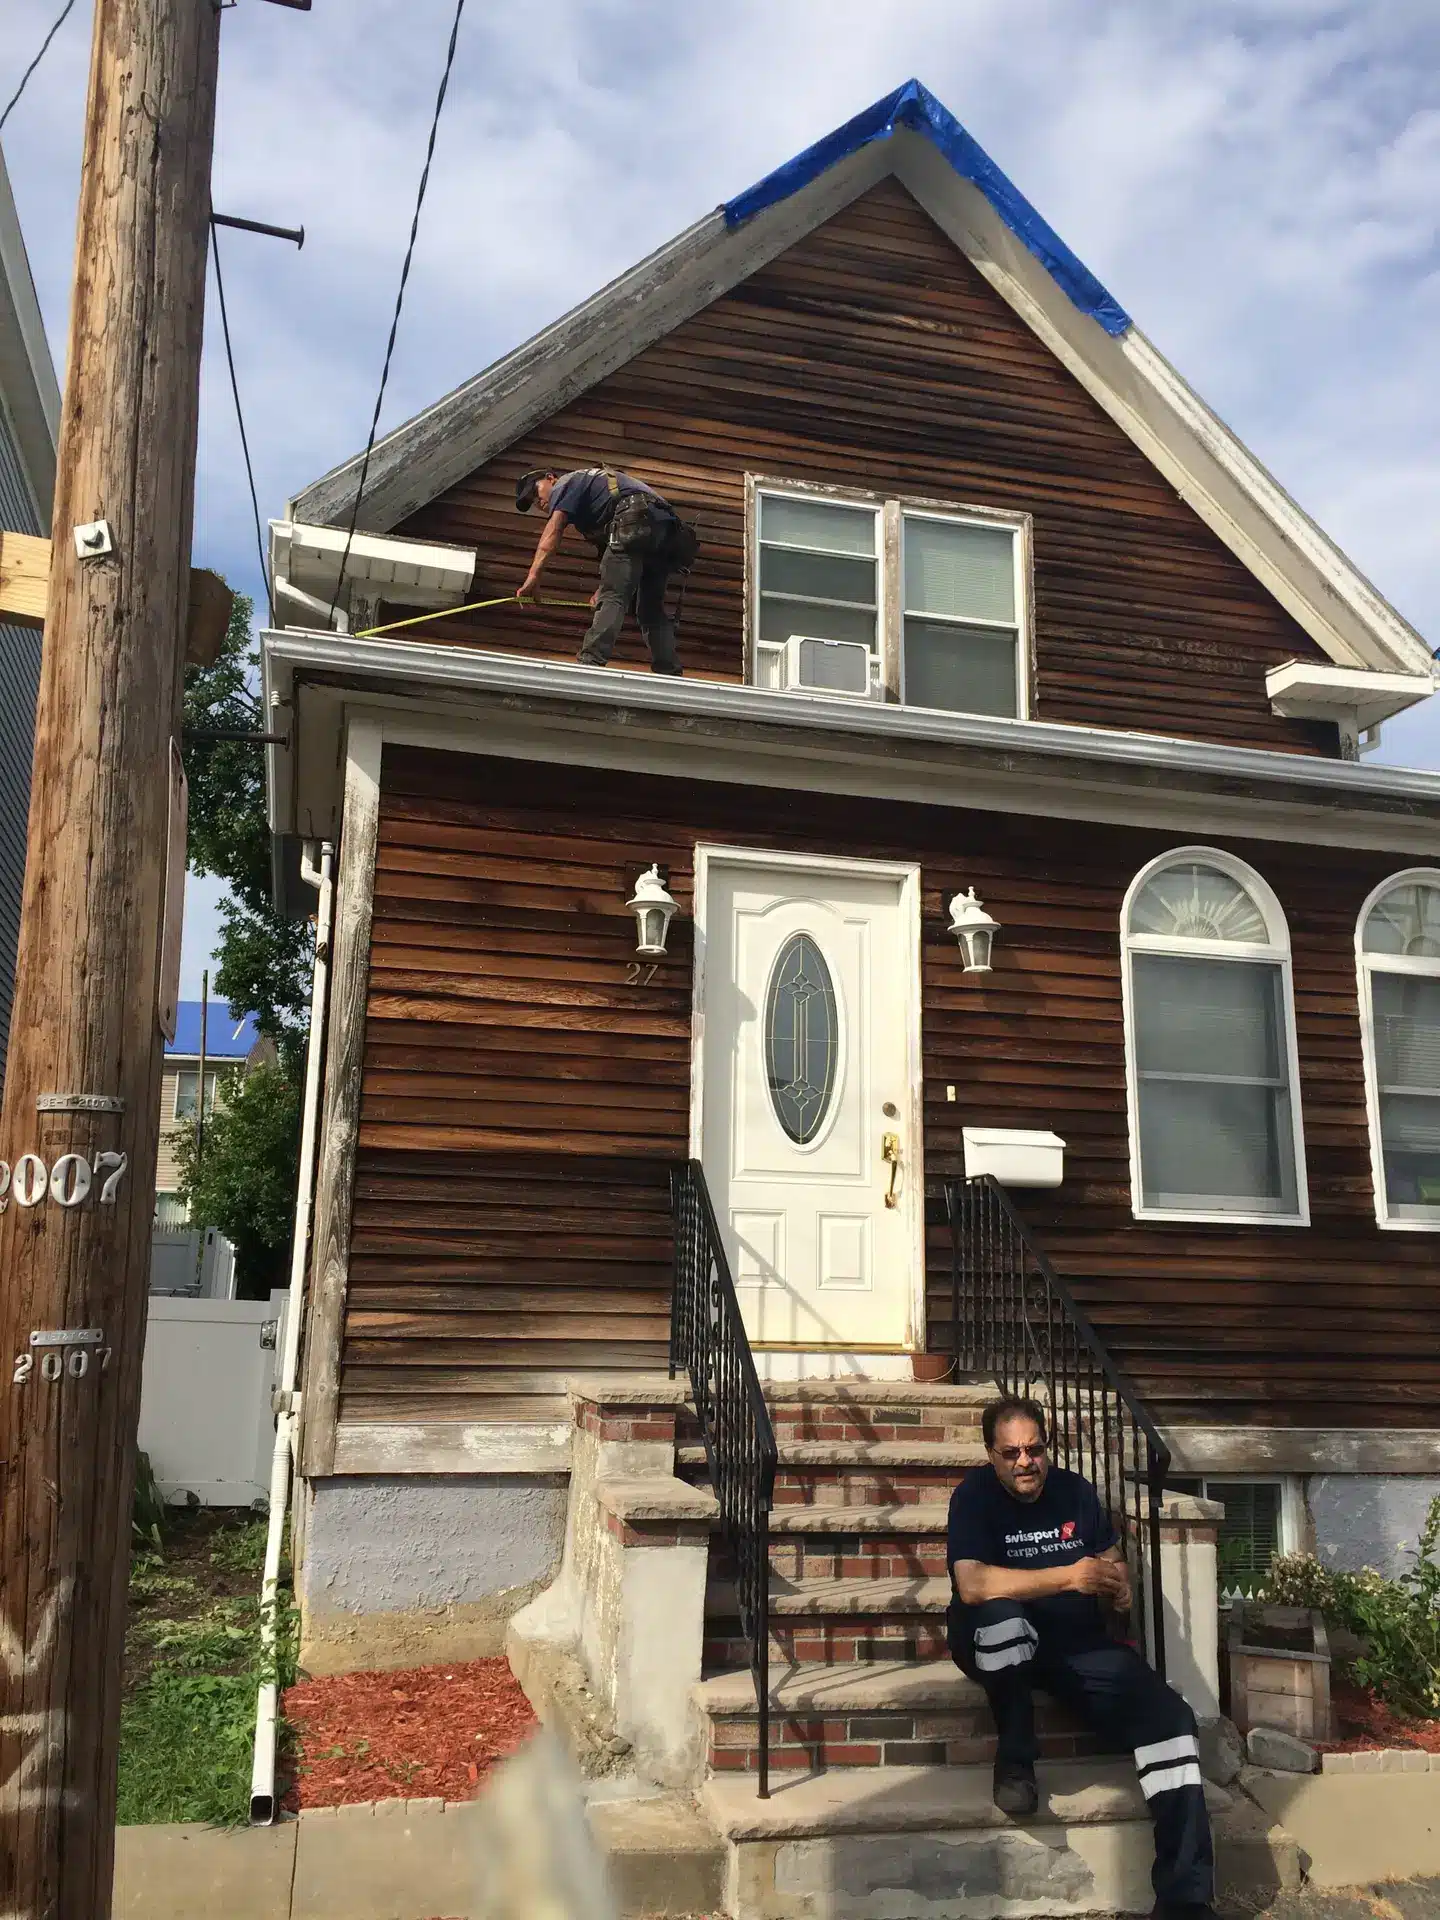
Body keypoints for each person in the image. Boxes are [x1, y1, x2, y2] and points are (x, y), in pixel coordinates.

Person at [948, 1396, 1216, 1920]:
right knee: (1004, 1621)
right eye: (1011, 1453)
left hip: (1074, 1643)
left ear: (1047, 1447)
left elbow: (1111, 1559)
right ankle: (1016, 1762)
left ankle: (1185, 1897)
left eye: (1034, 1449)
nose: (1025, 1462)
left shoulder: (1075, 1491)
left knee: (1173, 1721)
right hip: (993, 1639)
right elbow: (973, 1584)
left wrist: (1120, 1584)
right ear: (991, 1454)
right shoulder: (973, 1496)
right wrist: (1069, 1577)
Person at [515, 466, 689, 675]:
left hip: (634, 520)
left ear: (550, 478)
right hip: (663, 532)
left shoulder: (567, 483)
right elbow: (616, 562)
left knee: (613, 597)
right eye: (532, 502)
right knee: (649, 609)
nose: (538, 502)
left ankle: (590, 662)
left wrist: (534, 575)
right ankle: (669, 671)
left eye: (535, 492)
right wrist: (601, 589)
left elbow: (554, 529)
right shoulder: (595, 498)